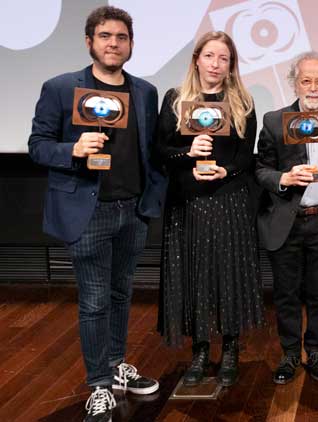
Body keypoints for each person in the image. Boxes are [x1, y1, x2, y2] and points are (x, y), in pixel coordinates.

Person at [27, 6, 166, 422]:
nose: (113, 43)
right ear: (90, 41)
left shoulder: (145, 92)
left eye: (121, 37)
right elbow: (37, 144)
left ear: (131, 45)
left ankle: (118, 365)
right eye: (105, 36)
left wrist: (150, 201)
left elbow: (150, 153)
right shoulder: (60, 87)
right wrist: (72, 149)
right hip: (88, 211)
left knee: (123, 294)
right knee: (93, 301)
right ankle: (99, 385)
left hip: (132, 210)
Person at [155, 31, 264, 388]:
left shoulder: (243, 102)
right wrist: (188, 152)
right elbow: (160, 152)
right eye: (210, 56)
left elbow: (247, 158)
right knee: (195, 277)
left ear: (231, 66)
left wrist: (225, 170)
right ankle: (200, 352)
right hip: (188, 204)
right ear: (196, 59)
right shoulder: (175, 100)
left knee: (229, 274)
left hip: (229, 200)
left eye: (224, 58)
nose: (216, 64)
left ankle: (231, 350)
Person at [255, 51, 318, 384]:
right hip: (287, 219)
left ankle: (317, 350)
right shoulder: (273, 120)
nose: (313, 87)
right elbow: (261, 169)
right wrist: (283, 178)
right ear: (295, 82)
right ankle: (290, 354)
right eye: (306, 80)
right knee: (287, 293)